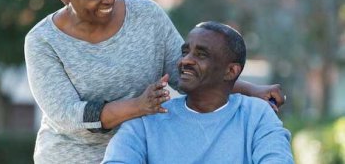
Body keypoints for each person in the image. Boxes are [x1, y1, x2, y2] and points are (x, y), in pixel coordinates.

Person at [24, 0, 285, 163]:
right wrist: (137, 106)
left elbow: (184, 69)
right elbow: (68, 114)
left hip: (140, 149)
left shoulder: (146, 14)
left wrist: (251, 90)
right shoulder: (43, 41)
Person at [102, 21, 294, 164]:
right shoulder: (147, 118)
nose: (185, 61)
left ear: (231, 71)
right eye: (185, 52)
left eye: (201, 55)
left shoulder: (257, 116)